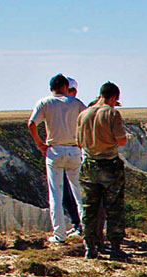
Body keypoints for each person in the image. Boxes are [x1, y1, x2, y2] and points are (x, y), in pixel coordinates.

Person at [27, 73, 84, 244]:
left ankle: (59, 236)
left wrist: (39, 144)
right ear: (66, 87)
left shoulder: (45, 103)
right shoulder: (76, 103)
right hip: (74, 150)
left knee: (55, 195)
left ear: (51, 88)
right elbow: (86, 122)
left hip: (55, 151)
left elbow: (31, 124)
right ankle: (87, 231)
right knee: (79, 194)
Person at [76, 81, 128, 261]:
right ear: (113, 97)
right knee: (113, 207)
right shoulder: (112, 113)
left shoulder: (83, 114)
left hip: (88, 165)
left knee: (89, 208)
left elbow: (78, 142)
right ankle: (114, 247)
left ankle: (90, 247)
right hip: (109, 163)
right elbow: (121, 141)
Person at [59, 78, 86, 238]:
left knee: (76, 193)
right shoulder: (75, 106)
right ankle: (76, 224)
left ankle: (81, 226)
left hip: (73, 153)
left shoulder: (77, 106)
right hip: (71, 152)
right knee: (67, 194)